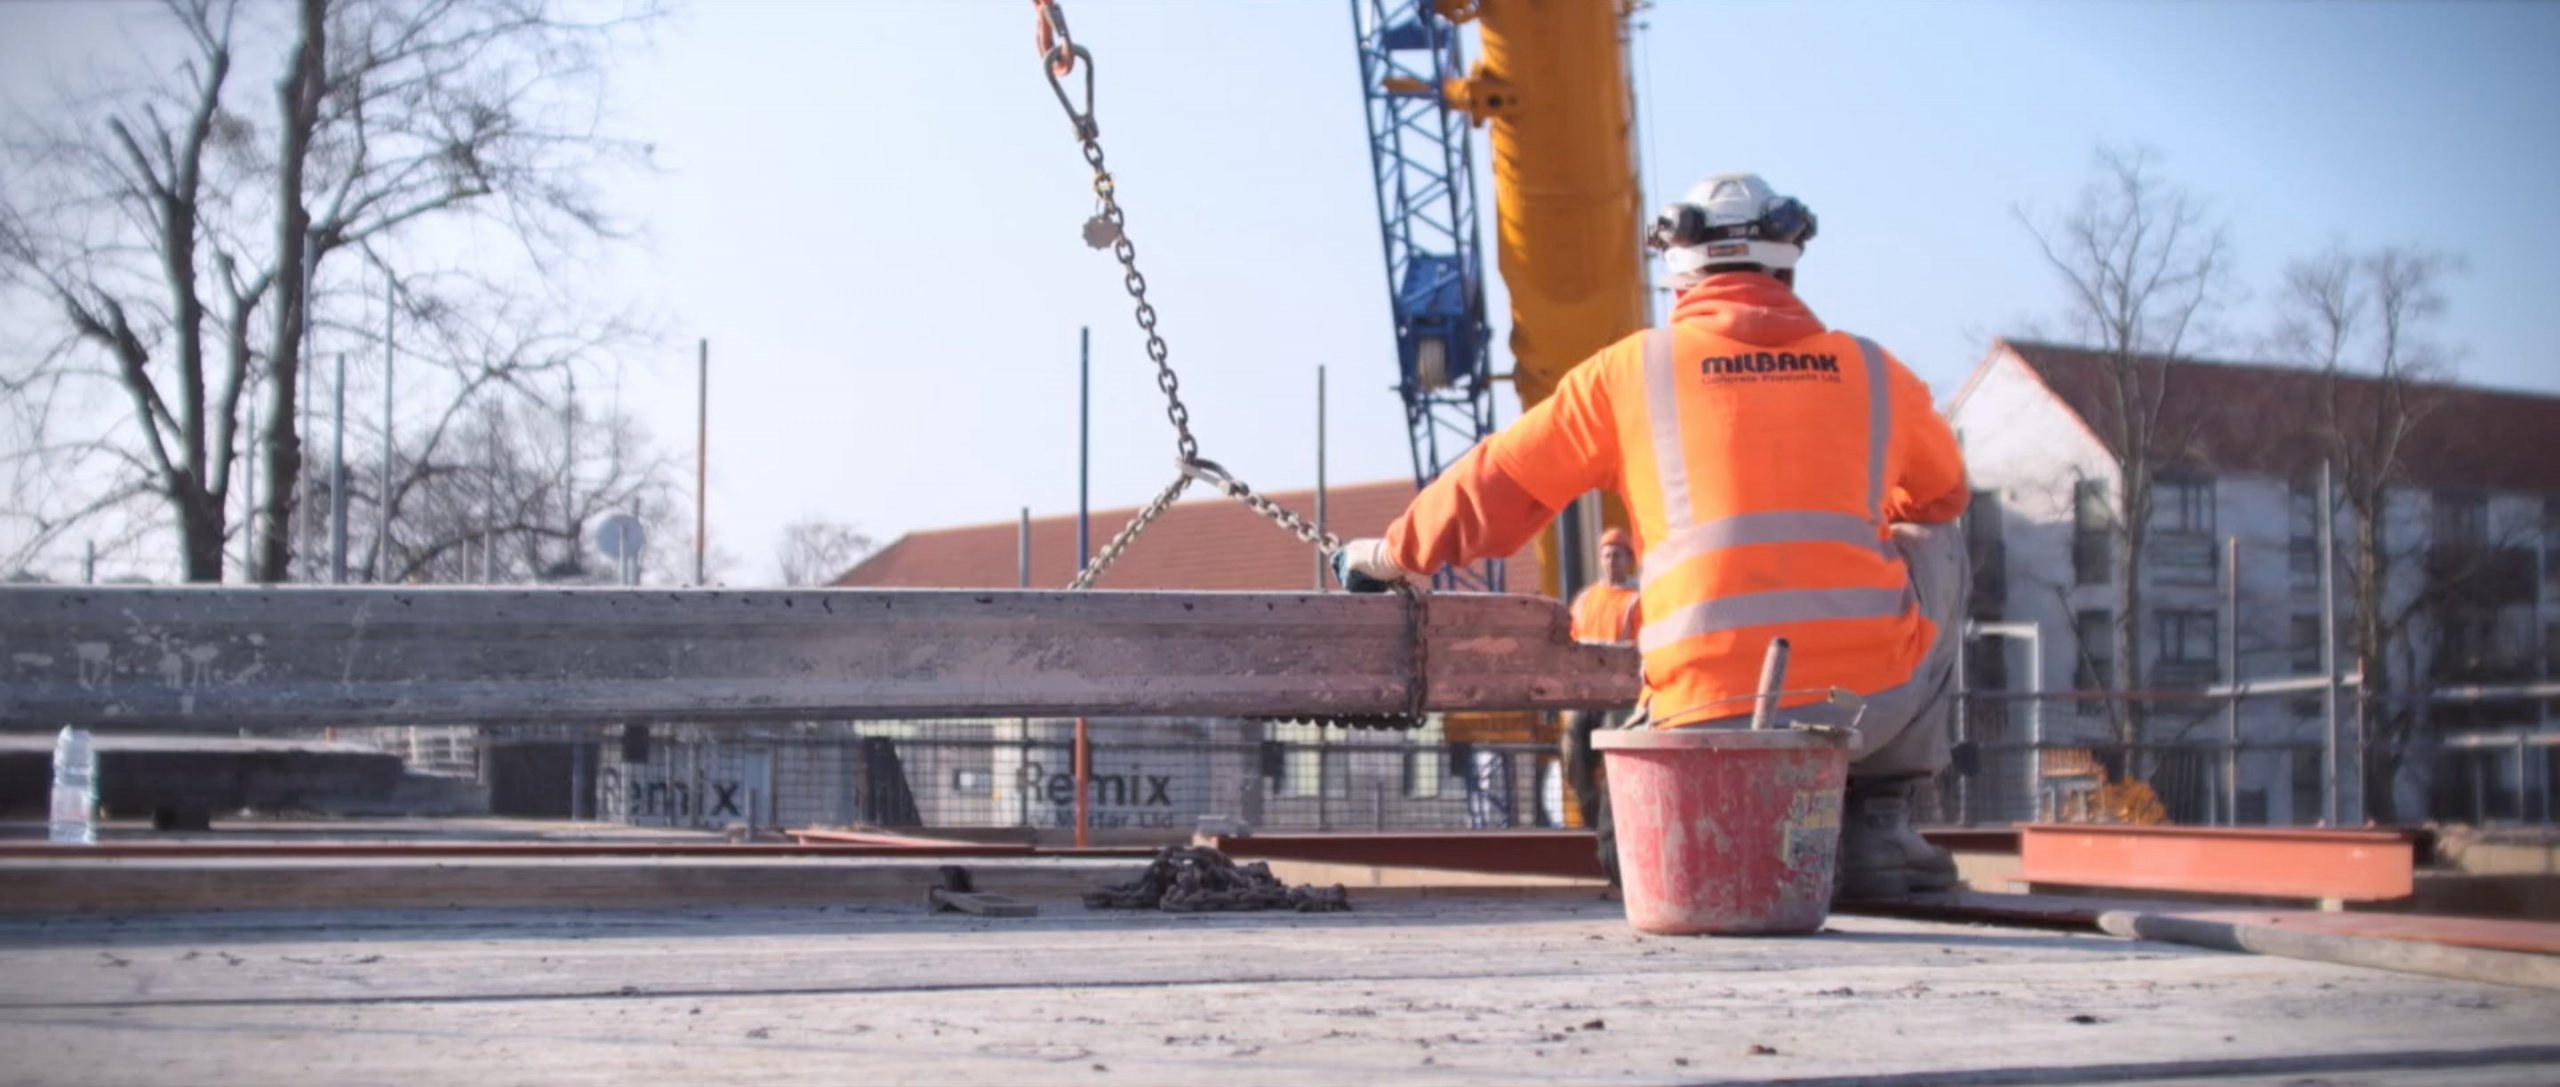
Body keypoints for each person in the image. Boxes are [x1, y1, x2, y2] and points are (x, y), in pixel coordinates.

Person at [1333, 173, 1971, 900]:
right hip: (1868, 706)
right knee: (1934, 527)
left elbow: (1497, 484)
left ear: (1679, 267)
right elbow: (1944, 493)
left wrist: (1392, 553)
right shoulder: (1874, 371)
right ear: (1790, 259)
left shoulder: (1632, 371)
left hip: (1703, 705)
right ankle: (1877, 826)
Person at [1559, 528, 1639, 843]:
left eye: (1618, 554)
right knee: (1574, 751)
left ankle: (1612, 828)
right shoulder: (1584, 601)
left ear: (1629, 560)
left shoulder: (1636, 601)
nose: (1611, 561)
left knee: (1611, 759)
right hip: (1587, 695)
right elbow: (1570, 647)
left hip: (1620, 699)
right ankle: (1592, 820)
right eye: (1606, 555)